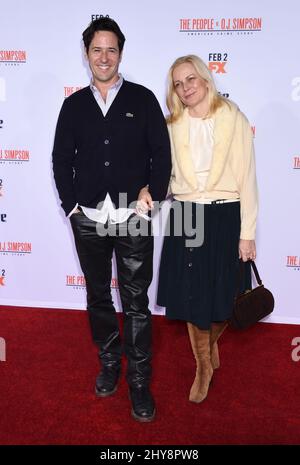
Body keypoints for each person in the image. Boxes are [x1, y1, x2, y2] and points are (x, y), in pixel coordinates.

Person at [52, 16, 171, 422]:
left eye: (112, 49)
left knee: (136, 302)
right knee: (99, 295)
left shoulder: (143, 99)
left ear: (121, 53)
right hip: (87, 216)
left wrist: (151, 193)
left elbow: (162, 153)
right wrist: (71, 208)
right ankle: (109, 363)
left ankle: (139, 381)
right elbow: (60, 159)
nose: (104, 57)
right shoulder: (73, 105)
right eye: (97, 49)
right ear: (87, 55)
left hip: (133, 216)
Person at [157, 55, 258, 403]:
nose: (186, 88)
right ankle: (203, 365)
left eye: (191, 79)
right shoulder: (171, 125)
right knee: (191, 295)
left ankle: (209, 346)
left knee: (225, 294)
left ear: (205, 78)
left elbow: (248, 180)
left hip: (225, 215)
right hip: (186, 214)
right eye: (178, 84)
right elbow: (166, 179)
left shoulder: (233, 119)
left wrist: (248, 232)